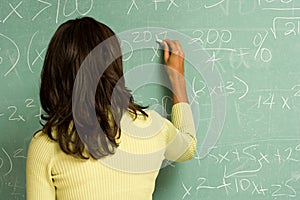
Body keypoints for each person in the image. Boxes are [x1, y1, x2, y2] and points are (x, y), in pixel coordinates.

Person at [26, 16, 197, 200]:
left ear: (55, 75)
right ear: (114, 65)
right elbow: (188, 146)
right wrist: (177, 79)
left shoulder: (46, 145)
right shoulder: (153, 128)